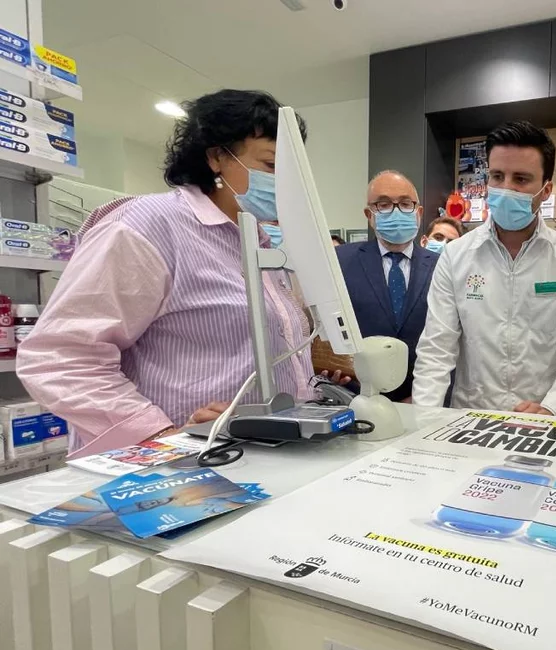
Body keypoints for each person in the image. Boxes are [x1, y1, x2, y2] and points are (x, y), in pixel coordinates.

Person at [16, 89, 326, 458]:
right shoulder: (147, 227)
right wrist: (161, 435)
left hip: (251, 454)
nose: (285, 181)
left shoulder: (256, 238)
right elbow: (60, 356)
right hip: (173, 469)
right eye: (273, 166)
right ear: (216, 158)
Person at [414, 120, 556, 416]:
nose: (506, 188)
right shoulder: (456, 256)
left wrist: (552, 408)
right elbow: (437, 349)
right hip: (471, 419)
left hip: (540, 424)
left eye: (521, 179)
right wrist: (423, 420)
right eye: (497, 176)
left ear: (546, 189)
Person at [335, 171, 439, 402]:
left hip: (424, 400)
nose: (396, 211)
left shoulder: (442, 266)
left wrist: (421, 397)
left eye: (405, 203)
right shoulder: (339, 261)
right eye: (383, 204)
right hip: (356, 397)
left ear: (418, 213)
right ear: (369, 215)